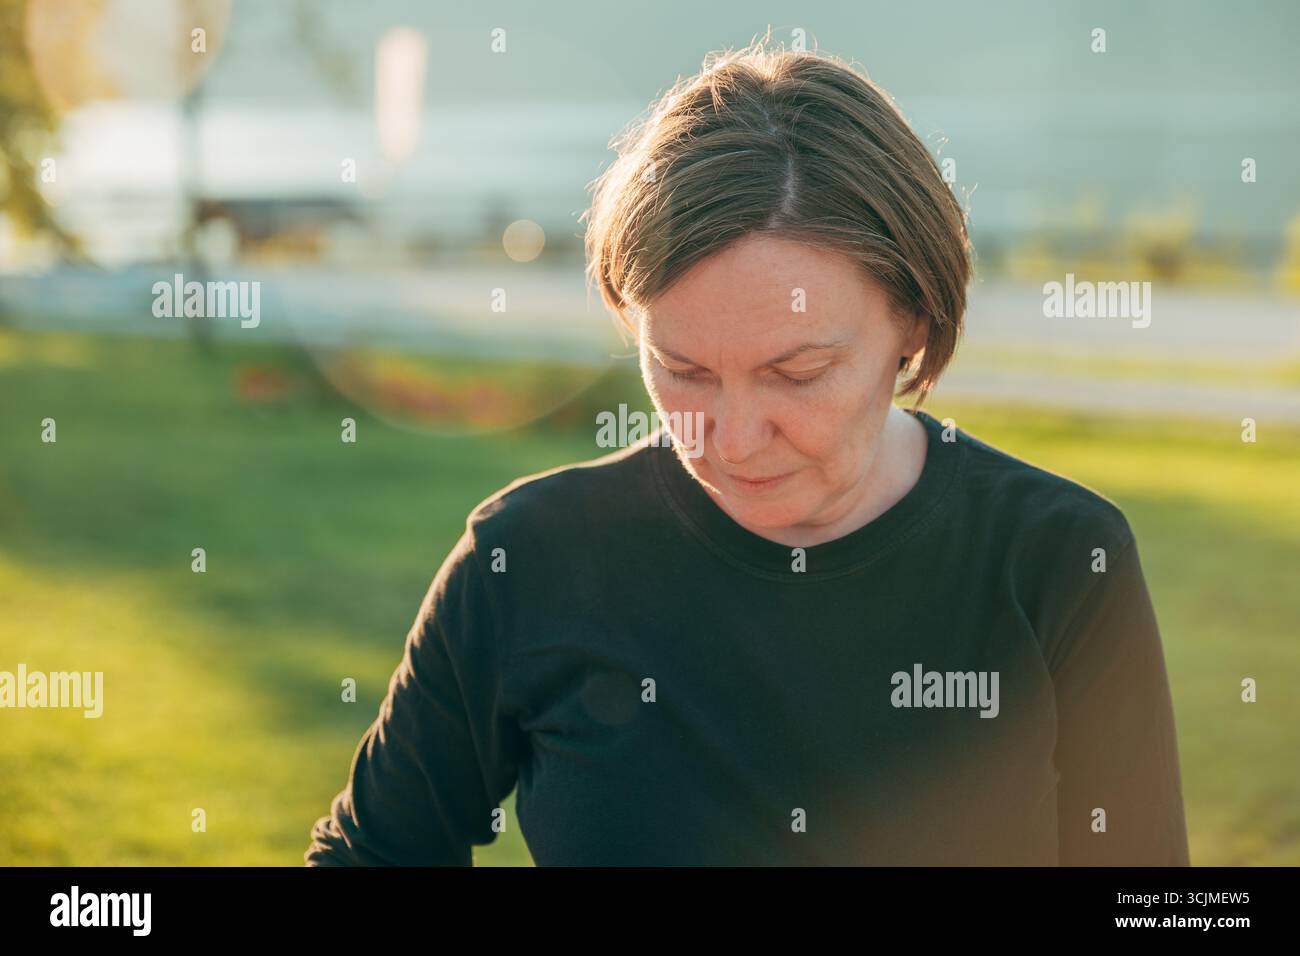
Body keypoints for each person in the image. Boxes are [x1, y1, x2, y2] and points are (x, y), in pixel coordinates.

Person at [304, 40, 1189, 866]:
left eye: (798, 372)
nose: (728, 439)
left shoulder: (1060, 558)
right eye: (681, 368)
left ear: (914, 323)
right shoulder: (528, 558)